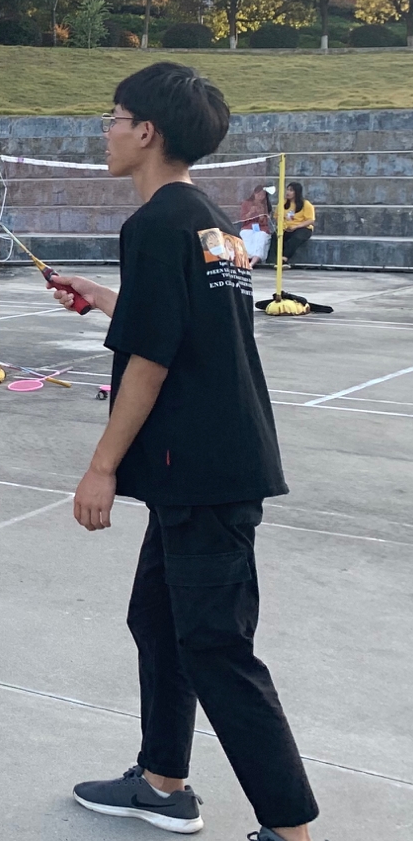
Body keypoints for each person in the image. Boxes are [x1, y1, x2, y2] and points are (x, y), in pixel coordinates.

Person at [49, 63, 319, 841]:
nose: (106, 131)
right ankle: (164, 781)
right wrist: (104, 297)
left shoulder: (156, 224)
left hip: (201, 471)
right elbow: (180, 321)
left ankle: (291, 831)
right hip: (210, 464)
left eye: (113, 117)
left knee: (215, 647)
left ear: (147, 132)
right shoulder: (209, 222)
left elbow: (153, 358)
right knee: (159, 621)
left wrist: (101, 466)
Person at [279, 181, 315, 266]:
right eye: (287, 190)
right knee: (275, 236)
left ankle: (284, 258)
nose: (288, 192)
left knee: (296, 237)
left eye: (291, 190)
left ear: (297, 192)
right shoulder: (282, 203)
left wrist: (296, 226)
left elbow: (310, 220)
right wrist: (284, 226)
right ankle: (272, 259)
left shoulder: (306, 204)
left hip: (302, 228)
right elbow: (278, 217)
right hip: (286, 228)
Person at [237, 184, 273, 266]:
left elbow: (265, 222)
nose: (260, 196)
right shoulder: (246, 203)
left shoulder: (266, 205)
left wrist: (261, 216)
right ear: (254, 193)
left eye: (262, 195)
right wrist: (250, 213)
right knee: (245, 235)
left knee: (260, 237)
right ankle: (245, 258)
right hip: (248, 227)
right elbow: (243, 219)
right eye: (258, 194)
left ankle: (254, 261)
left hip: (261, 228)